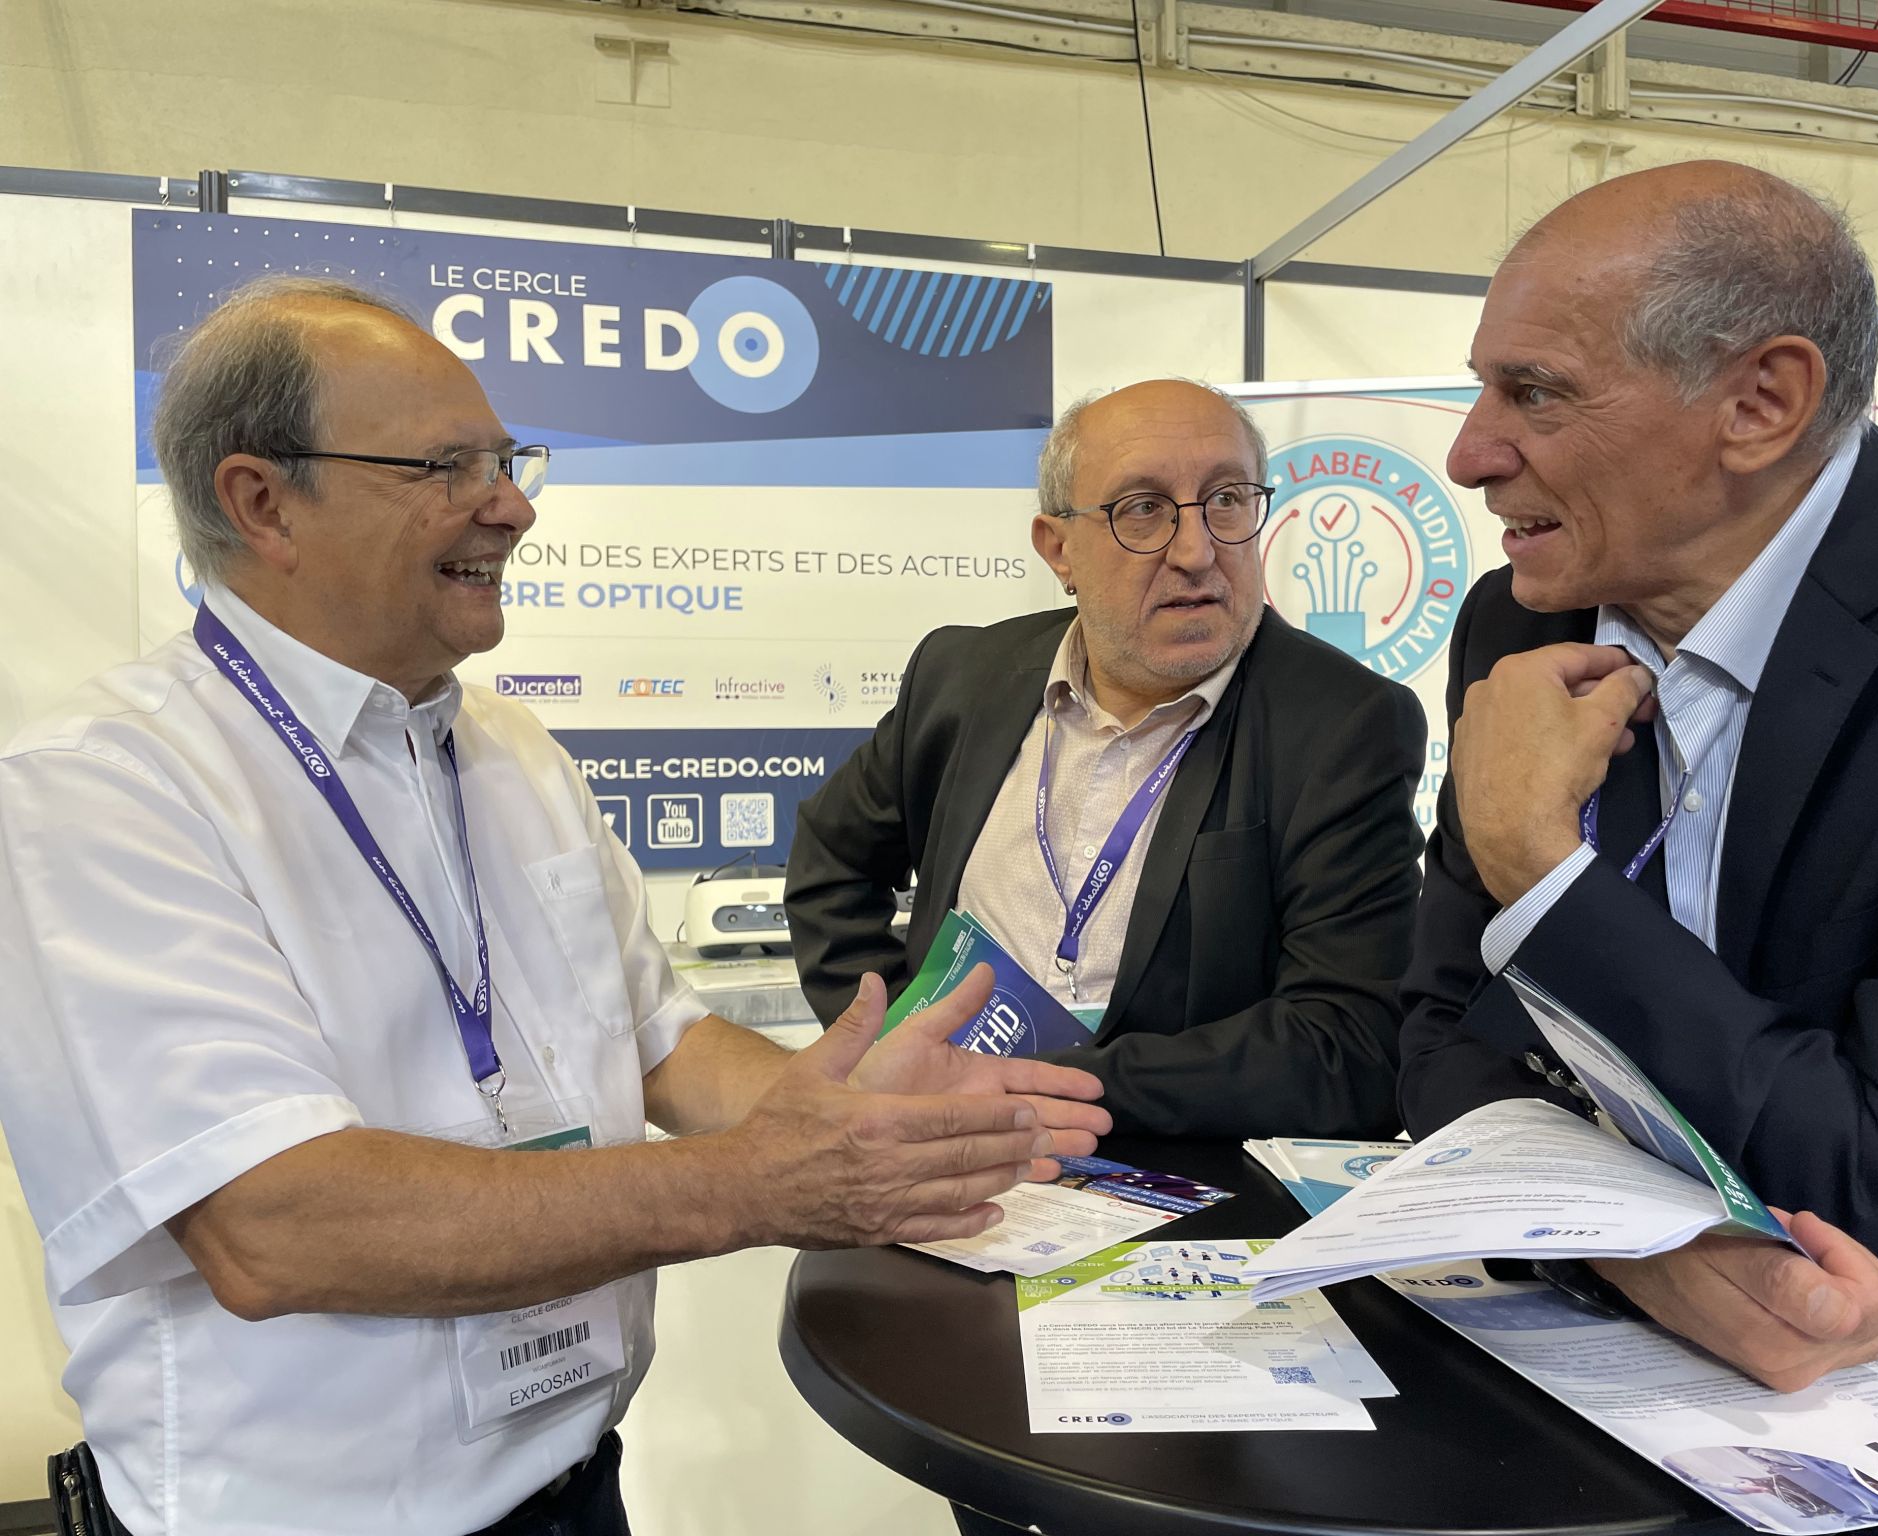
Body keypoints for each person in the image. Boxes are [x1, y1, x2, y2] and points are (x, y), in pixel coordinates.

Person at [0, 275, 1111, 1536]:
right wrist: (760, 1183)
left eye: (506, 460)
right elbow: (275, 1224)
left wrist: (854, 1114)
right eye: (444, 467)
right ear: (263, 502)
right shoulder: (103, 791)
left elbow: (657, 1041)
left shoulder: (512, 751)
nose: (512, 506)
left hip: (579, 1486)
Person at [1398, 160, 1878, 1413]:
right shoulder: (1516, 621)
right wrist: (1638, 1253)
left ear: (1758, 403)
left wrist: (1540, 870)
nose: (1469, 453)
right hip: (1595, 1369)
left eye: (1533, 392)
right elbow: (1435, 1039)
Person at [785, 379, 1426, 1138]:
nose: (1197, 551)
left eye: (1226, 499)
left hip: (1186, 1177)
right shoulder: (961, 678)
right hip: (942, 1151)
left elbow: (1351, 1045)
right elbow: (832, 862)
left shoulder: (1342, 724)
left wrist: (1044, 1089)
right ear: (1059, 548)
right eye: (1143, 509)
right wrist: (895, 1037)